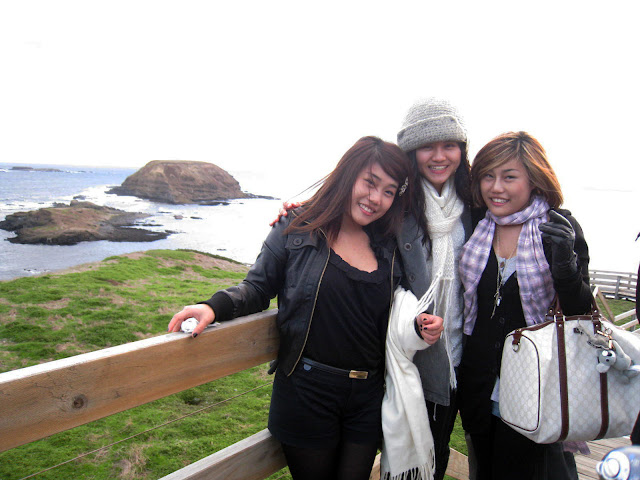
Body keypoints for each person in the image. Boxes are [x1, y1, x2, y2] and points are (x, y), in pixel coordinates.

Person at [168, 136, 444, 480]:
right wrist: (213, 306)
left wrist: (418, 325)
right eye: (370, 182)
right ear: (347, 175)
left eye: (389, 191)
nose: (376, 198)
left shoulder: (389, 242)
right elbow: (257, 287)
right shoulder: (298, 226)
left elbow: (398, 305)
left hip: (367, 396)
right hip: (307, 392)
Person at [457, 131, 592, 480]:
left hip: (537, 390)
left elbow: (581, 314)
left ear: (534, 180)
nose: (496, 187)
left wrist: (566, 269)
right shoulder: (478, 225)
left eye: (509, 177)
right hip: (480, 387)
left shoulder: (557, 228)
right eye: (488, 176)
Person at [396, 97, 480, 480]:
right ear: (411, 152)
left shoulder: (476, 203)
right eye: (427, 146)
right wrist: (297, 214)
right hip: (412, 354)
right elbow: (351, 206)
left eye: (449, 145)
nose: (440, 156)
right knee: (408, 451)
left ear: (462, 149)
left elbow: (521, 202)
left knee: (439, 448)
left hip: (462, 354)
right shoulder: (396, 204)